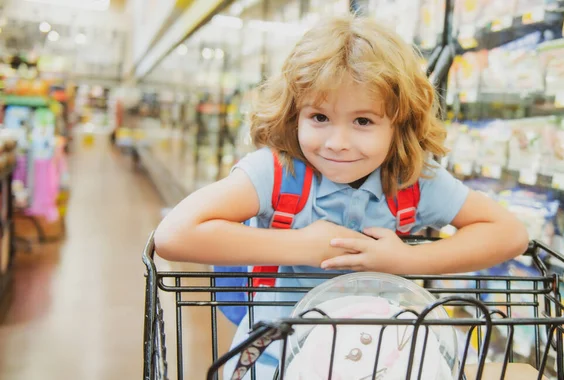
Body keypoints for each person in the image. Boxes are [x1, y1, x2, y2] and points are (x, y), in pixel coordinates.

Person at [154, 14, 529, 378]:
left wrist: (408, 258)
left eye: (363, 121)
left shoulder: (411, 181)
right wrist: (302, 246)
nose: (338, 142)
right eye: (319, 118)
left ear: (400, 125)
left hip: (381, 361)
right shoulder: (277, 174)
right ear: (293, 115)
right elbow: (174, 235)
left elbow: (509, 233)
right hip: (274, 362)